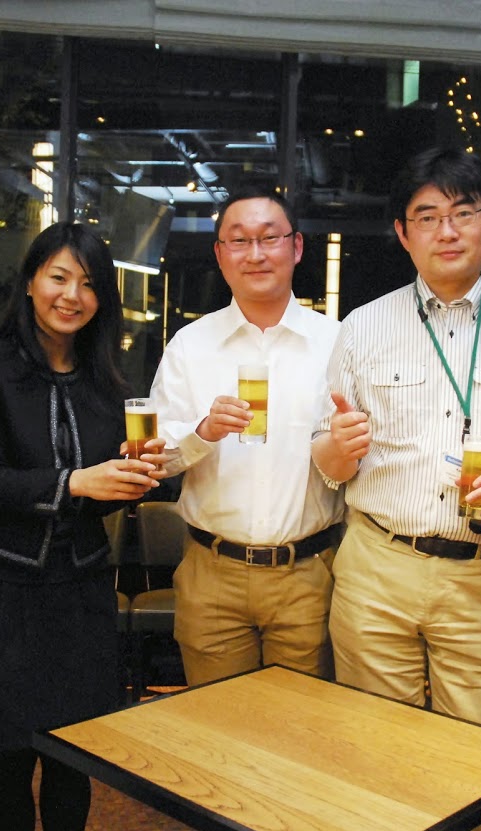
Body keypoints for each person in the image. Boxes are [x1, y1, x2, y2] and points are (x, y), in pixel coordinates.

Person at [312, 146, 481, 831]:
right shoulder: (362, 327)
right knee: (375, 760)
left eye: (463, 212)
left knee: (478, 767)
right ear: (402, 233)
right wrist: (336, 447)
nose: (448, 230)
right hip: (377, 567)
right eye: (427, 216)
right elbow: (325, 456)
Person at [0, 223, 165, 831]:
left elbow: (104, 493)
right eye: (59, 277)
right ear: (30, 282)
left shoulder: (107, 382)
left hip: (81, 590)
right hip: (1, 589)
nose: (72, 295)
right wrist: (77, 482)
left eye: (89, 284)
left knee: (74, 754)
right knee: (8, 758)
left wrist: (134, 479)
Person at [149, 186, 342, 687]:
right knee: (214, 722)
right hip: (212, 571)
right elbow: (156, 458)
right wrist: (202, 431)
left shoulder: (337, 344)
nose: (255, 254)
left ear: (296, 247)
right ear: (220, 254)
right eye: (239, 241)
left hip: (308, 572)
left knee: (302, 723)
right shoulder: (190, 345)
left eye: (269, 238)